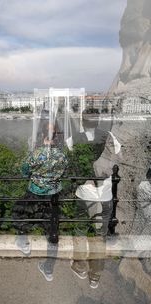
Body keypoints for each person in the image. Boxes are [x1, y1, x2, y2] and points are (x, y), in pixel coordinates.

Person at [70, 108, 121, 288]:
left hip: (84, 192)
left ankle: (80, 266)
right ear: (98, 121)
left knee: (80, 229)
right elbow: (118, 158)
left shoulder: (73, 139)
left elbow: (70, 163)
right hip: (105, 193)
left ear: (83, 121)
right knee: (100, 235)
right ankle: (95, 275)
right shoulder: (109, 137)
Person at [13, 123, 68, 281]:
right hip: (53, 196)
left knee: (20, 213)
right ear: (57, 136)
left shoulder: (36, 154)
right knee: (53, 232)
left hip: (35, 192)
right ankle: (49, 269)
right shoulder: (61, 156)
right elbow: (65, 171)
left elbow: (24, 170)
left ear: (41, 135)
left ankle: (23, 244)